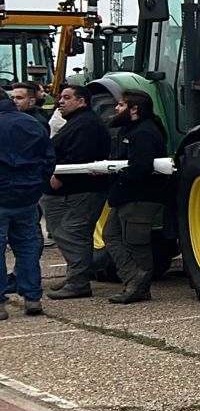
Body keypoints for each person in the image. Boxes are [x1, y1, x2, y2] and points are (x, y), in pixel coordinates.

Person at [43, 85, 111, 300]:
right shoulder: (74, 123)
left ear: (82, 101)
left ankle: (78, 282)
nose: (60, 102)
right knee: (65, 233)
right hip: (70, 191)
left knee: (74, 233)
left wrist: (60, 177)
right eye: (60, 98)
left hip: (80, 191)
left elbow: (81, 155)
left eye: (66, 98)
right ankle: (76, 274)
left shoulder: (87, 125)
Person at [105, 90, 169, 304]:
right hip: (126, 195)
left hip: (139, 197)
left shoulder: (143, 133)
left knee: (136, 243)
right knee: (111, 235)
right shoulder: (132, 130)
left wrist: (116, 173)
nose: (117, 108)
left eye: (121, 105)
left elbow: (141, 167)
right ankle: (133, 278)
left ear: (134, 109)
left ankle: (139, 285)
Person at [0, 90, 55, 319]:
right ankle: (32, 298)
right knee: (28, 248)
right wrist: (37, 185)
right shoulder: (32, 123)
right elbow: (49, 158)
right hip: (27, 195)